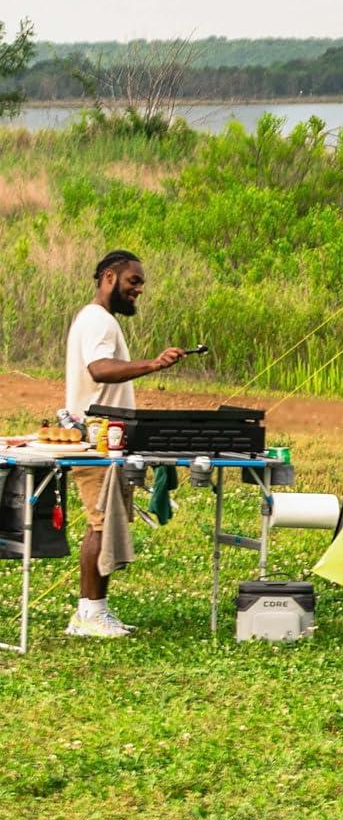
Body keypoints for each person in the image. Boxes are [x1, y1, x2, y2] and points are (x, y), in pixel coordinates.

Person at [63, 250, 184, 638]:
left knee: (102, 524)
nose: (139, 290)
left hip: (106, 440)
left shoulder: (99, 319)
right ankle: (89, 614)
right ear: (109, 277)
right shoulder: (98, 320)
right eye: (134, 281)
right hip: (98, 441)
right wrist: (153, 364)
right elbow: (99, 369)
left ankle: (93, 610)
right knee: (101, 525)